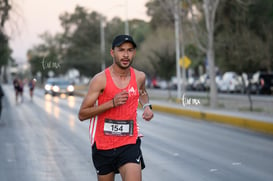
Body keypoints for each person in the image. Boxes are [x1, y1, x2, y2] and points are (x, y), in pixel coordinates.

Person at [78, 34, 154, 181]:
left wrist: (146, 106)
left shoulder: (139, 77)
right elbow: (82, 114)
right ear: (112, 52)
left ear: (134, 53)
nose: (126, 55)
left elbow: (142, 92)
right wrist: (111, 103)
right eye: (121, 50)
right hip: (103, 145)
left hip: (129, 143)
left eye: (130, 50)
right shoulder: (100, 80)